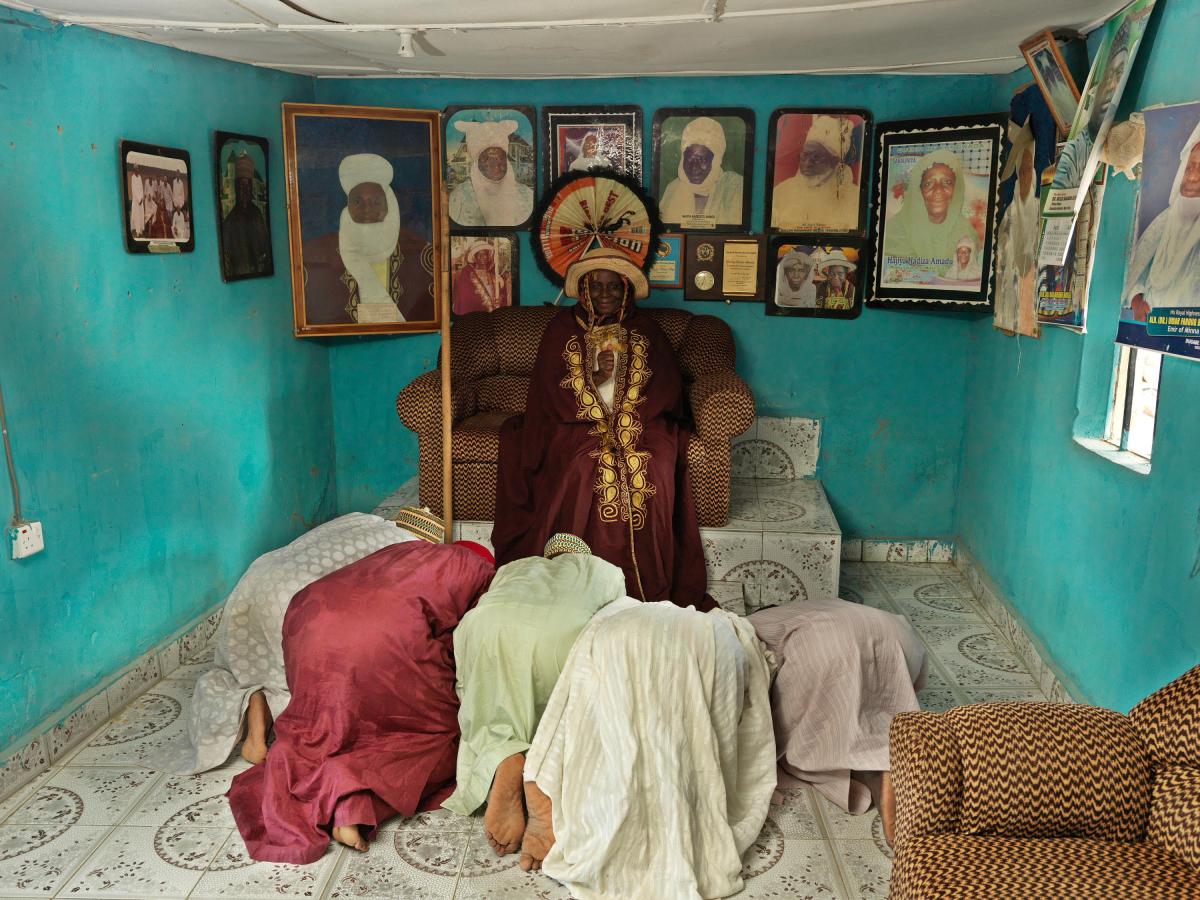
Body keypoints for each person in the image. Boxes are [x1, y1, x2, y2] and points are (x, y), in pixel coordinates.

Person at [225, 537, 496, 863]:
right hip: (382, 635)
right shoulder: (483, 573)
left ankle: (307, 762)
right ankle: (353, 806)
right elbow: (474, 649)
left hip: (307, 615)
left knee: (316, 731)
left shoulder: (406, 551)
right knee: (441, 738)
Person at [491, 247, 712, 609]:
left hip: (639, 421)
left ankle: (644, 583)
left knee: (653, 463)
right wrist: (596, 378)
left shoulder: (647, 330)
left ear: (626, 290)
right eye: (597, 287)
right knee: (583, 464)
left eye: (613, 287)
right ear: (584, 291)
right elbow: (550, 392)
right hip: (575, 422)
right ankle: (576, 580)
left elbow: (667, 391)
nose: (605, 295)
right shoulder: (561, 329)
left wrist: (627, 411)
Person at [145, 510, 443, 775]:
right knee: (306, 676)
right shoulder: (410, 551)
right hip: (297, 597)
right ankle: (267, 712)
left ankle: (252, 701)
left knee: (238, 665)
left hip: (259, 579)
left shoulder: (360, 519)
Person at [516, 597, 776, 896]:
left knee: (600, 723)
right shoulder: (731, 629)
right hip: (699, 643)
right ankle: (673, 802)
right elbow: (751, 724)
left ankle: (544, 782)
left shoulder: (614, 596)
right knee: (686, 735)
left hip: (619, 632)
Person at [444, 535, 625, 857]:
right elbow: (617, 620)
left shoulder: (515, 567)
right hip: (558, 634)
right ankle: (543, 769)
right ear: (582, 555)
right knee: (572, 697)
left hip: (487, 627)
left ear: (549, 556)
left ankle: (505, 753)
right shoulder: (606, 570)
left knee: (486, 699)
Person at [747, 597, 927, 845]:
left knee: (795, 744)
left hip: (828, 648)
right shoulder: (825, 605)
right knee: (870, 701)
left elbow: (751, 680)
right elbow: (912, 686)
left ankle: (871, 771)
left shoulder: (754, 623)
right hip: (902, 636)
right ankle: (887, 755)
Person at [302, 153, 435, 325]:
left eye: (376, 202)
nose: (367, 209)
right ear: (347, 205)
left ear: (389, 205)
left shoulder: (419, 251)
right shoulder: (317, 250)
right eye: (358, 201)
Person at [1126, 121, 1200, 318]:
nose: (1192, 177)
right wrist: (1137, 302)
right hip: (1153, 322)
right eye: (1189, 167)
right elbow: (1136, 275)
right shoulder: (1165, 220)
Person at [1054, 23, 1131, 191]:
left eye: (1119, 74)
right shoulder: (1075, 151)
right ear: (1100, 82)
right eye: (1110, 74)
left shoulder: (1112, 131)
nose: (1113, 84)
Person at [883, 148, 979, 277]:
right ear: (919, 190)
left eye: (947, 182)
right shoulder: (895, 230)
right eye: (928, 183)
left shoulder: (966, 232)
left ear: (957, 189)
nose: (938, 190)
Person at [771, 115, 860, 232]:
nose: (808, 163)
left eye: (816, 157)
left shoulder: (854, 197)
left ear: (834, 162)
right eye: (805, 155)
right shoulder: (781, 192)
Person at [659, 116, 744, 225]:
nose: (694, 166)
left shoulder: (735, 188)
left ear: (716, 160)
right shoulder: (672, 189)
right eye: (689, 158)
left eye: (702, 159)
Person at [449, 119, 533, 227]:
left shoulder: (527, 196)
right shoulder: (459, 198)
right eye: (488, 159)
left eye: (500, 158)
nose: (496, 165)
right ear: (477, 162)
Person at [221, 151, 271, 277]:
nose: (244, 192)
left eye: (247, 187)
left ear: (251, 188)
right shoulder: (229, 224)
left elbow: (266, 252)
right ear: (235, 188)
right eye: (240, 186)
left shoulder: (257, 216)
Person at [452, 240, 508, 315]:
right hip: (475, 315)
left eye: (485, 254)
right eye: (479, 254)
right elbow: (464, 296)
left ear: (488, 256)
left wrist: (500, 299)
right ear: (474, 257)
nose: (483, 257)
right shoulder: (467, 274)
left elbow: (502, 294)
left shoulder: (493, 275)